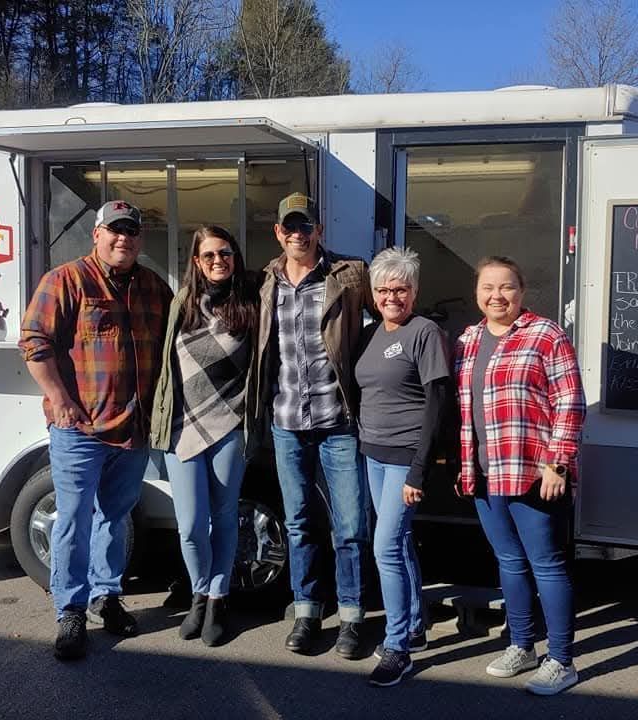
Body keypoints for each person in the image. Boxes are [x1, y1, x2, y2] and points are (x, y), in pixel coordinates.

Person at [20, 200, 172, 661]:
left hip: (133, 430)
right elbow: (34, 342)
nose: (123, 239)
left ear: (140, 239)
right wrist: (61, 400)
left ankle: (107, 597)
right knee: (73, 520)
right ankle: (70, 609)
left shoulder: (152, 286)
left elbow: (179, 336)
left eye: (131, 232)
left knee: (115, 516)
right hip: (80, 429)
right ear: (97, 234)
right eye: (115, 231)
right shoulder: (65, 280)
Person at [455, 255, 586, 695]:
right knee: (509, 562)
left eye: (506, 287)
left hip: (534, 472)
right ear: (477, 293)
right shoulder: (469, 339)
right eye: (488, 287)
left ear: (521, 291)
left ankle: (563, 660)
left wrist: (558, 462)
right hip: (484, 474)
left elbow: (570, 402)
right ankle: (521, 645)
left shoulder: (545, 335)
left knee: (546, 565)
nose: (497, 296)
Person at [255, 192, 375, 659]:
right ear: (279, 233)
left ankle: (351, 617)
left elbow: (385, 313)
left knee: (350, 525)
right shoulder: (267, 283)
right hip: (287, 421)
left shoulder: (348, 273)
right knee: (300, 522)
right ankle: (306, 611)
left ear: (319, 231)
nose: (299, 234)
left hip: (338, 420)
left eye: (307, 226)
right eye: (291, 227)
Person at [150, 226, 258, 647]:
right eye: (209, 255)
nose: (218, 261)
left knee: (225, 517)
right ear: (196, 261)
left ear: (235, 257)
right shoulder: (181, 304)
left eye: (225, 253)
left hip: (230, 425)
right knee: (192, 525)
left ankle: (218, 598)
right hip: (182, 426)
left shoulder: (251, 304)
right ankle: (197, 591)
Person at [354, 247, 451, 687]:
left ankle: (398, 648)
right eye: (384, 289)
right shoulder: (371, 333)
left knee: (385, 548)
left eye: (401, 288)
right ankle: (413, 624)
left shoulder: (424, 331)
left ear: (414, 291)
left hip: (404, 459)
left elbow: (437, 402)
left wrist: (419, 470)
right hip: (373, 453)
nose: (392, 296)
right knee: (400, 541)